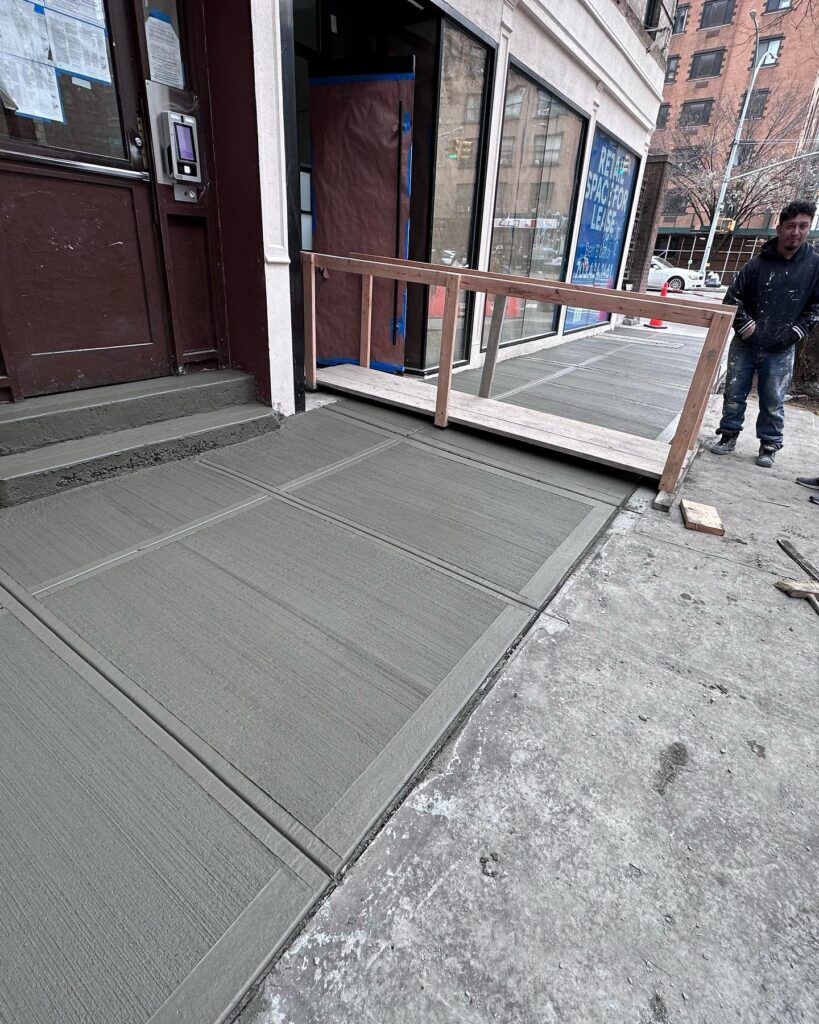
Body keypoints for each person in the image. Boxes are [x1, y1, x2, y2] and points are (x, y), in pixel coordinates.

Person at [709, 200, 819, 467]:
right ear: (779, 228)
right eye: (790, 226)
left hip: (781, 348)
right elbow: (732, 299)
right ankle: (728, 435)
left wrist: (793, 334)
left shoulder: (814, 266)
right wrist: (747, 328)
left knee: (773, 399)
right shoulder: (757, 265)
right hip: (746, 343)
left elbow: (815, 307)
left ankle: (769, 444)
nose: (796, 232)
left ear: (809, 228)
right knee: (734, 392)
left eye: (803, 226)